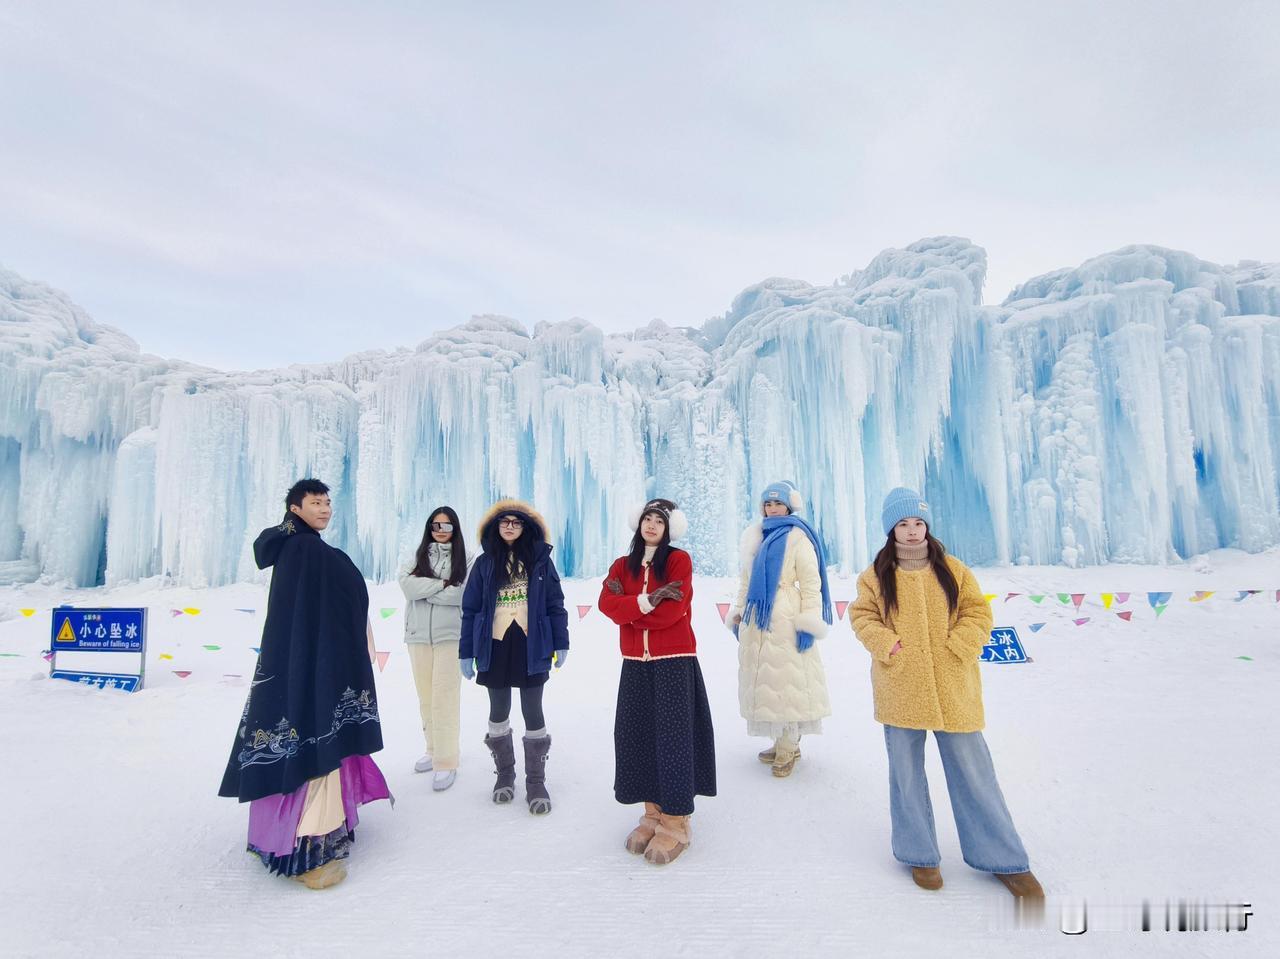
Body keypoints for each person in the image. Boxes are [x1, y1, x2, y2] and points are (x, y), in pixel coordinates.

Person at [849, 487, 1043, 899]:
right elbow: (862, 616)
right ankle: (920, 854)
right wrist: (890, 646)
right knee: (906, 774)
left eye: (918, 523)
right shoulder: (875, 575)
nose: (913, 531)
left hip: (954, 684)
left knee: (974, 771)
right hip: (901, 686)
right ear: (892, 530)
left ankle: (1005, 859)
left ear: (927, 526)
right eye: (903, 524)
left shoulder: (952, 569)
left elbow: (977, 611)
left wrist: (961, 644)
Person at [218, 479, 391, 890]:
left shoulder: (295, 548)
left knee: (292, 740)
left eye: (329, 502)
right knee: (314, 745)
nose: (326, 509)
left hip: (296, 663)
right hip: (315, 665)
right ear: (295, 508)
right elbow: (323, 611)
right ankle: (309, 853)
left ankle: (278, 836)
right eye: (316, 503)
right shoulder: (307, 550)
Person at [598, 498, 716, 865]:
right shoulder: (622, 565)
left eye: (659, 521)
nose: (651, 525)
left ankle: (676, 822)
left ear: (668, 529)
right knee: (638, 735)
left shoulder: (678, 561)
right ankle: (652, 814)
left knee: (673, 739)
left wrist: (631, 609)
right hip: (635, 663)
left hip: (673, 662)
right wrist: (648, 601)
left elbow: (673, 612)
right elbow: (606, 604)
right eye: (647, 519)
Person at [460, 499, 569, 815]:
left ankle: (536, 781)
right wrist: (466, 652)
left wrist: (561, 642)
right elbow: (470, 610)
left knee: (533, 710)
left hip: (531, 643)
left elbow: (554, 604)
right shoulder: (484, 564)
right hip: (494, 645)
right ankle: (505, 775)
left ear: (526, 528)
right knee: (499, 709)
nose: (509, 526)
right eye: (504, 522)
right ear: (496, 527)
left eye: (516, 522)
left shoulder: (541, 562)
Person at [726, 480, 833, 778]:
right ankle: (779, 739)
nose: (772, 508)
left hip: (786, 615)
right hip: (757, 618)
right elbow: (745, 581)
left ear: (789, 505)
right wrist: (738, 613)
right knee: (765, 680)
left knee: (788, 679)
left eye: (778, 503)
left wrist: (809, 621)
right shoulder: (755, 536)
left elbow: (812, 584)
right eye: (768, 504)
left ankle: (789, 744)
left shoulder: (799, 537)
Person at [399, 505, 470, 792]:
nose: (441, 531)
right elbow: (408, 588)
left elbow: (463, 594)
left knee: (445, 697)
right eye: (436, 526)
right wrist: (443, 584)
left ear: (455, 528)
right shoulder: (416, 556)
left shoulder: (467, 558)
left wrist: (428, 591)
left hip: (450, 635)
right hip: (417, 635)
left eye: (447, 526)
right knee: (425, 697)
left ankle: (446, 760)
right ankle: (432, 749)